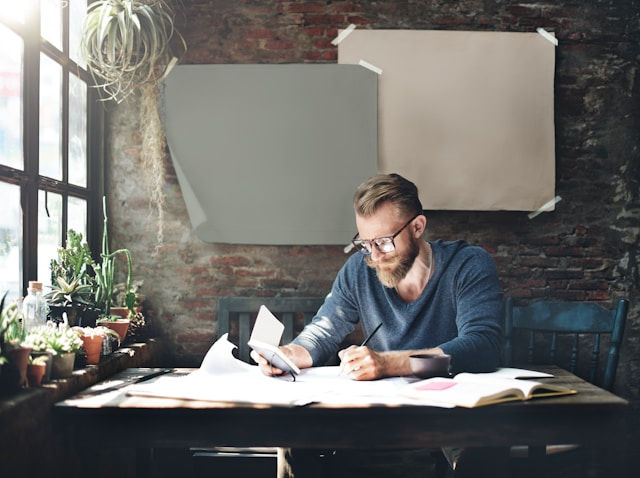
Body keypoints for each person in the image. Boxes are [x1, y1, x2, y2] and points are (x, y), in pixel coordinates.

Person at [252, 173, 504, 477]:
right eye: (364, 243)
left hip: (450, 410)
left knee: (488, 441)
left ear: (417, 227)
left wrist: (388, 363)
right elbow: (325, 328)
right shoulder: (359, 270)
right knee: (294, 433)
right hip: (382, 410)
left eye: (383, 242)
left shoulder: (467, 264)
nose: (374, 256)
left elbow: (482, 346)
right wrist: (292, 353)